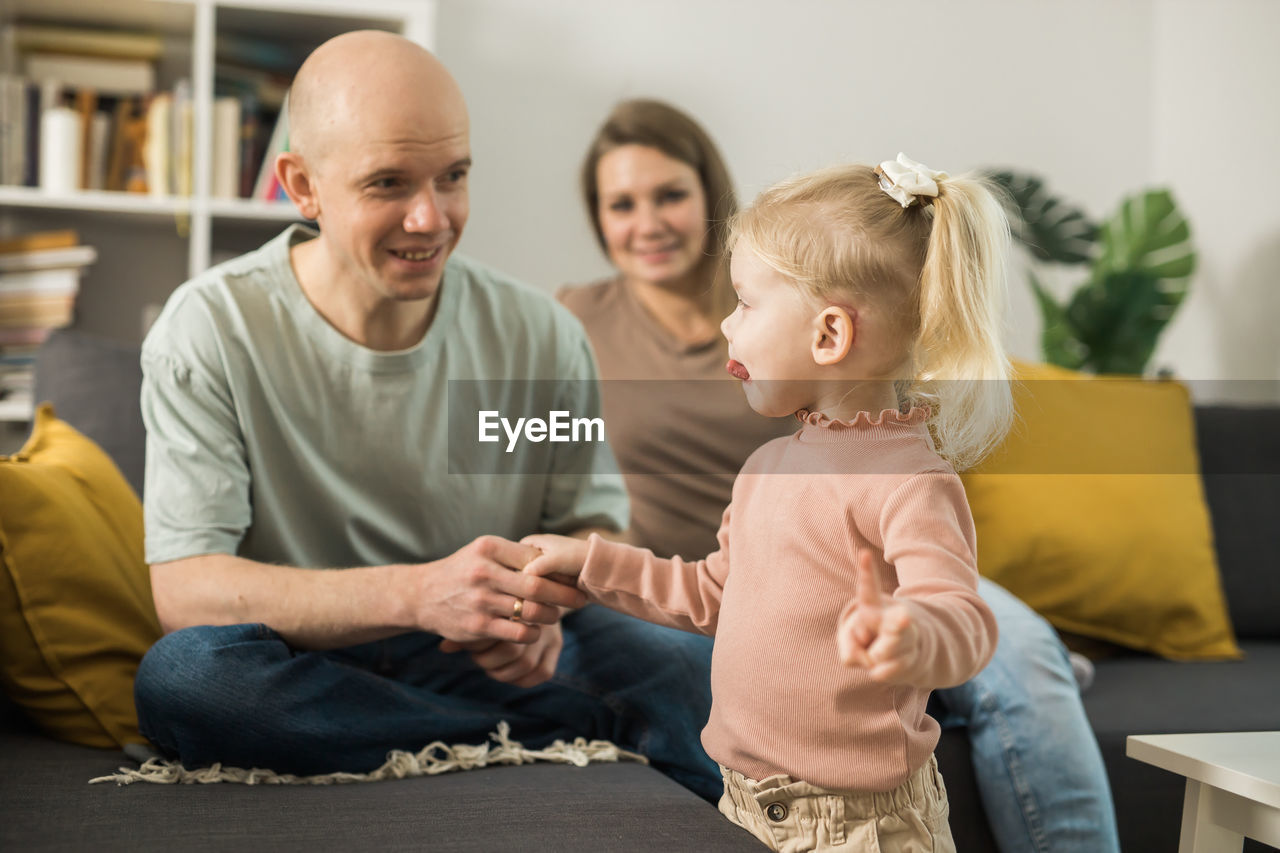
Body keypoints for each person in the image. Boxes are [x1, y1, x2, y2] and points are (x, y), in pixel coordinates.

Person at [131, 31, 721, 801]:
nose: (430, 218)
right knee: (186, 679)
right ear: (302, 185)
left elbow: (595, 534)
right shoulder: (208, 330)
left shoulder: (541, 336)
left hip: (491, 655)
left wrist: (541, 606)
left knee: (687, 657)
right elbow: (186, 589)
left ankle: (491, 729)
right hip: (306, 659)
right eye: (387, 184)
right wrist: (415, 594)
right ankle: (549, 739)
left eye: (453, 176)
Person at [560, 100, 1121, 852]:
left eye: (747, 306)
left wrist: (918, 634)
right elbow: (712, 591)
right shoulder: (763, 461)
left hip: (864, 819)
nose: (732, 324)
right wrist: (588, 563)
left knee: (1020, 650)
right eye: (620, 203)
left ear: (828, 334)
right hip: (756, 797)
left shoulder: (910, 481)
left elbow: (956, 612)